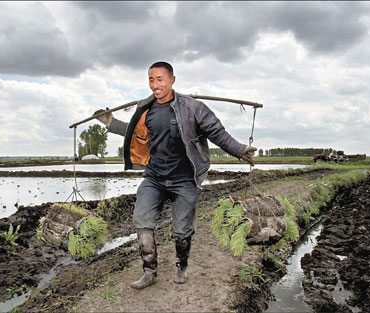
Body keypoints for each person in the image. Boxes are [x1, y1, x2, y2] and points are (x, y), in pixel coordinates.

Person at [94, 61, 256, 289]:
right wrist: (110, 122)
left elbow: (217, 133)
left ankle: (181, 265)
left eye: (160, 79)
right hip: (154, 178)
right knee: (142, 222)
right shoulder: (145, 108)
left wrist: (240, 151)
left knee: (181, 230)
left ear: (172, 80)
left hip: (184, 180)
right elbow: (133, 133)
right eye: (151, 80)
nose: (155, 85)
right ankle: (150, 272)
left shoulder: (193, 108)